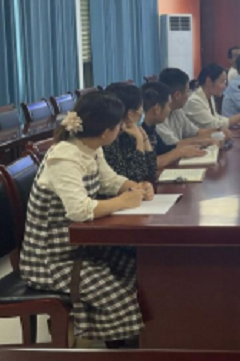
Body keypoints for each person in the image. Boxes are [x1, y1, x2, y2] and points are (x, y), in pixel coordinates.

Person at [20, 92, 153, 345]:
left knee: (138, 269)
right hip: (51, 259)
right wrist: (124, 201)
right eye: (118, 126)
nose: (121, 129)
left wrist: (133, 187)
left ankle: (121, 340)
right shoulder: (64, 157)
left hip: (80, 247)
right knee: (118, 295)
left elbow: (109, 180)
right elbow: (79, 210)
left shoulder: (91, 147)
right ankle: (118, 346)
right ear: (105, 132)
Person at [158, 68, 231, 147]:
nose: (189, 94)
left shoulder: (177, 110)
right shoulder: (158, 118)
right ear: (177, 95)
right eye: (187, 91)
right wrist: (206, 140)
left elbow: (196, 132)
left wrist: (218, 131)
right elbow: (174, 145)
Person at [141, 82, 208, 168]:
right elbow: (148, 164)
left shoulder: (151, 127)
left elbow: (164, 149)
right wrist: (180, 152)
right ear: (157, 109)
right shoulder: (137, 130)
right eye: (168, 106)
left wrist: (195, 144)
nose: (169, 110)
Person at [102, 83, 157, 183]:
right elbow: (135, 177)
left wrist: (144, 138)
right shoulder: (108, 140)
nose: (142, 111)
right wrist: (139, 140)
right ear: (130, 114)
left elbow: (151, 170)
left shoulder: (127, 132)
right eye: (141, 107)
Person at [184, 63, 240, 130]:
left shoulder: (209, 96)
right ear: (209, 81)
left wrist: (234, 122)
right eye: (222, 82)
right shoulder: (194, 101)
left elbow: (215, 117)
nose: (224, 86)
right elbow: (212, 125)